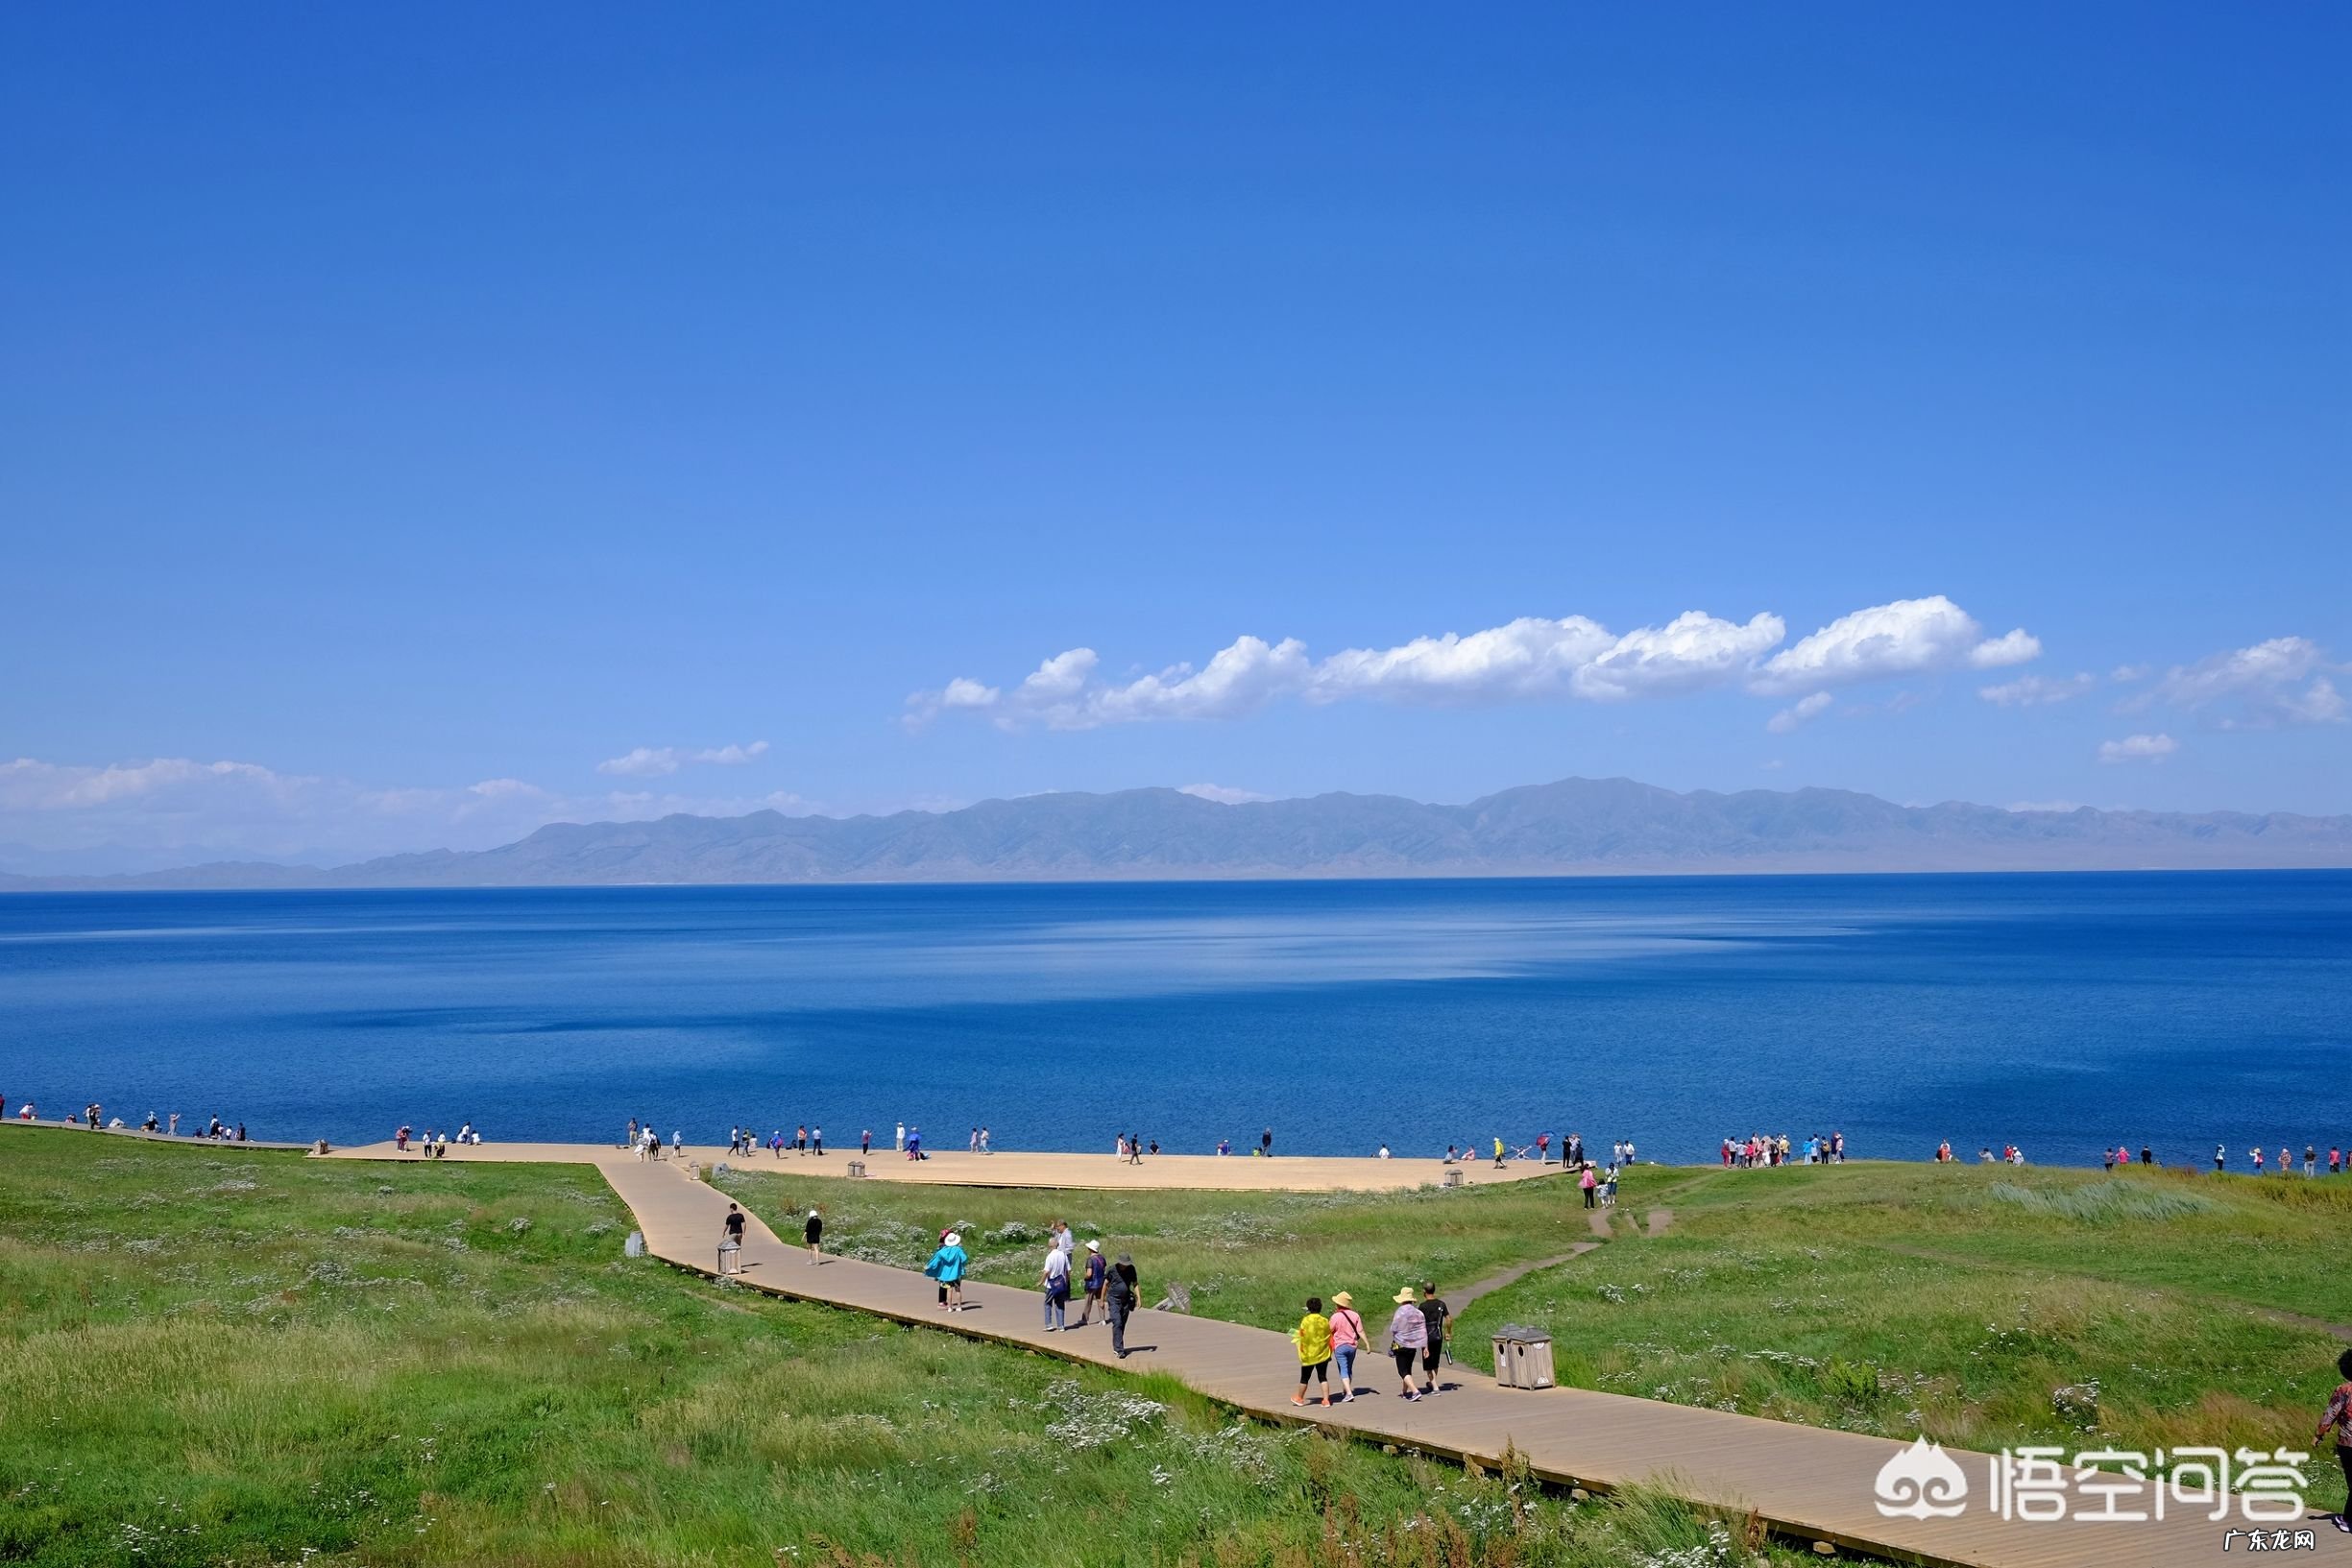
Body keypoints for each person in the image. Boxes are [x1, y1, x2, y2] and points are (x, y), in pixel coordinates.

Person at [2313, 1347, 2352, 1534]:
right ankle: (2347, 1519)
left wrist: (2318, 1435)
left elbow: (2330, 1415)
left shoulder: (2343, 1391)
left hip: (2348, 1444)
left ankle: (2347, 1519)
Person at [1385, 1288, 1427, 1401]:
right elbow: (1423, 1330)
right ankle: (1404, 1391)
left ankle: (1415, 1391)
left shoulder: (1400, 1312)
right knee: (1407, 1369)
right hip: (1413, 1346)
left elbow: (1393, 1328)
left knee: (1402, 1370)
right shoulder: (1419, 1313)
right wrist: (1425, 1346)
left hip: (1401, 1344)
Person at [1291, 1297, 1333, 1407]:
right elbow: (1329, 1333)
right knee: (1322, 1376)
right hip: (1323, 1353)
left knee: (1304, 1377)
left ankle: (1299, 1398)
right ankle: (1326, 1400)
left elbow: (1302, 1334)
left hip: (1309, 1354)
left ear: (1308, 1308)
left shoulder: (1306, 1320)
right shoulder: (1324, 1320)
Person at [1328, 1290, 1366, 1403]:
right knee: (1348, 1368)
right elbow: (1360, 1330)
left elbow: (1329, 1330)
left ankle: (1349, 1393)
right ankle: (1345, 1389)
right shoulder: (1355, 1315)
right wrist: (1367, 1344)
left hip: (1339, 1346)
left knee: (1343, 1369)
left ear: (1338, 1304)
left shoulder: (1335, 1317)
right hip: (1352, 1346)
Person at [1418, 1283, 1450, 1395]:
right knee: (1435, 1362)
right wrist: (1448, 1332)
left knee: (1427, 1363)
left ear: (1424, 1292)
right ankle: (1433, 1382)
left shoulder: (1422, 1306)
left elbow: (1419, 1322)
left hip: (1426, 1337)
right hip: (1438, 1335)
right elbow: (1449, 1319)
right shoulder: (1441, 1304)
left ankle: (1435, 1388)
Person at [926, 1232, 969, 1312]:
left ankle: (949, 1307)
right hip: (957, 1274)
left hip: (946, 1275)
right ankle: (959, 1307)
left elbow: (935, 1261)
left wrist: (929, 1266)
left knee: (949, 1290)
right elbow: (964, 1259)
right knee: (958, 1290)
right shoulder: (958, 1250)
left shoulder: (942, 1251)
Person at [1108, 1252, 1139, 1357]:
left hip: (1126, 1300)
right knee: (1117, 1322)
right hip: (1113, 1299)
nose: (1124, 1266)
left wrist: (1139, 1298)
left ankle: (1118, 1344)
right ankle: (1119, 1350)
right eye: (1123, 1264)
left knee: (1122, 1323)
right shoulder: (1112, 1269)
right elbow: (1105, 1283)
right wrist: (1102, 1300)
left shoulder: (1131, 1269)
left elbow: (1135, 1283)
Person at [1074, 1239, 1106, 1327]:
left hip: (1092, 1284)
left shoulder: (1090, 1260)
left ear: (1090, 1249)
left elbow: (1089, 1273)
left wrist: (1085, 1278)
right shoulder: (1102, 1258)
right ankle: (1102, 1319)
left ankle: (1085, 1319)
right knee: (1100, 1300)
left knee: (1088, 1301)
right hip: (1101, 1282)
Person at [1041, 1239, 1070, 1331]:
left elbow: (1046, 1272)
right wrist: (1067, 1280)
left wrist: (1041, 1281)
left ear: (1050, 1246)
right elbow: (1068, 1270)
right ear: (1057, 1244)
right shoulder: (1063, 1255)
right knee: (1060, 1304)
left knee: (1047, 1303)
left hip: (1051, 1284)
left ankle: (1048, 1324)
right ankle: (1061, 1325)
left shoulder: (1050, 1256)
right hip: (1061, 1283)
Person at [719, 1202, 747, 1274]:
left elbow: (727, 1226)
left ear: (731, 1208)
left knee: (729, 1248)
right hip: (739, 1233)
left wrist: (723, 1232)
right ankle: (738, 1264)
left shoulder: (730, 1217)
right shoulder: (741, 1215)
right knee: (738, 1248)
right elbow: (744, 1223)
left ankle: (730, 1264)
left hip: (733, 1234)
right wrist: (744, 1232)